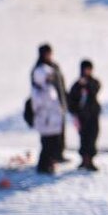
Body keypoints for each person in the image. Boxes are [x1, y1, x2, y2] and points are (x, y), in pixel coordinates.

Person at [30, 43, 68, 174]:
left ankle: (55, 158)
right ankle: (45, 164)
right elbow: (38, 98)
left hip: (56, 109)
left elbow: (60, 87)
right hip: (45, 113)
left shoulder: (54, 67)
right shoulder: (39, 72)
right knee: (47, 140)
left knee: (56, 138)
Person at [68, 59, 102, 171]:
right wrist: (75, 112)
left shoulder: (94, 82)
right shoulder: (76, 85)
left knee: (93, 137)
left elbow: (95, 90)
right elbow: (71, 99)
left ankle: (90, 160)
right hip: (82, 117)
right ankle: (84, 160)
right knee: (84, 138)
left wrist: (86, 85)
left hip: (93, 116)